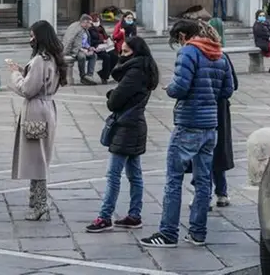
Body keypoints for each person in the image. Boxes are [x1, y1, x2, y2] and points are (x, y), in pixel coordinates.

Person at [141, 20, 233, 248]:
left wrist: (169, 88)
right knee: (203, 182)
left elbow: (180, 87)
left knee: (173, 179)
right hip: (211, 125)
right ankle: (197, 233)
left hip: (189, 122)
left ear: (183, 35)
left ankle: (168, 233)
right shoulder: (219, 53)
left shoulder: (189, 52)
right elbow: (228, 89)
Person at [86, 36, 158, 233]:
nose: (121, 55)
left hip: (126, 126)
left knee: (113, 174)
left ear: (136, 53)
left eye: (125, 52)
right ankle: (134, 215)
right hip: (136, 124)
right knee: (134, 174)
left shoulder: (134, 72)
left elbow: (114, 101)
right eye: (121, 51)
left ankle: (105, 216)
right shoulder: (144, 68)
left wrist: (111, 94)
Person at [6, 20, 66, 221]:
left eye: (32, 35)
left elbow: (27, 89)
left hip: (36, 111)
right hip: (47, 108)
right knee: (38, 157)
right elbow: (40, 81)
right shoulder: (52, 58)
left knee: (36, 159)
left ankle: (40, 204)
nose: (30, 39)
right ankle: (36, 202)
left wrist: (15, 74)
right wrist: (24, 70)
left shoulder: (41, 59)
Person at [188, 18, 238, 210]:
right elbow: (232, 86)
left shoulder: (195, 55)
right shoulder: (222, 55)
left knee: (202, 153)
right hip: (220, 110)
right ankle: (222, 193)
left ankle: (204, 196)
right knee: (218, 151)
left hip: (202, 110)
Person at [61, 14, 97, 85]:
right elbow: (69, 40)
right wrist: (64, 52)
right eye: (90, 23)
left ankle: (89, 75)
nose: (91, 25)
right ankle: (82, 76)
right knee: (82, 56)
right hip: (75, 50)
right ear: (85, 22)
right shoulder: (75, 28)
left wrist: (89, 47)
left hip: (83, 48)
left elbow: (84, 41)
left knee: (94, 55)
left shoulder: (85, 29)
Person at [89, 14, 118, 84]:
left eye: (98, 20)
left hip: (105, 46)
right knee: (107, 57)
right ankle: (105, 77)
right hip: (96, 47)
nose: (97, 22)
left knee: (115, 56)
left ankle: (103, 73)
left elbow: (105, 36)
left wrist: (110, 39)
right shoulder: (90, 29)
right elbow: (91, 41)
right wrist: (102, 41)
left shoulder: (101, 27)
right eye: (95, 20)